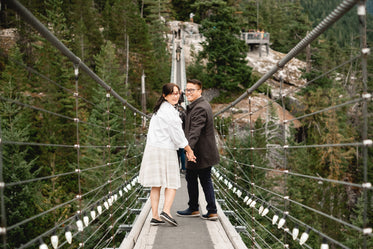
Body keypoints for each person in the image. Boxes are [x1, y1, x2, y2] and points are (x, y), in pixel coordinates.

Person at [139, 83, 196, 227]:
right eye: (172, 93)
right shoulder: (170, 112)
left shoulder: (159, 110)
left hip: (153, 149)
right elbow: (177, 135)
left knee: (156, 185)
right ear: (164, 95)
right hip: (165, 150)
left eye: (177, 93)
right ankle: (166, 211)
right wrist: (188, 150)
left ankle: (155, 216)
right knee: (172, 182)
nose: (175, 96)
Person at [177, 79, 220, 220]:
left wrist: (189, 150)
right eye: (186, 90)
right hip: (202, 151)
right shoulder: (196, 106)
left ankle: (206, 210)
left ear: (200, 91)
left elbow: (195, 131)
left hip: (200, 152)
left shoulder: (200, 108)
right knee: (194, 178)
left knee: (202, 179)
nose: (188, 92)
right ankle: (197, 208)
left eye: (192, 90)